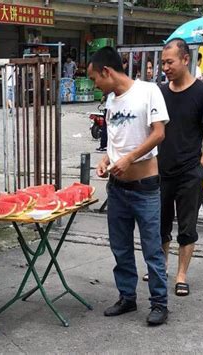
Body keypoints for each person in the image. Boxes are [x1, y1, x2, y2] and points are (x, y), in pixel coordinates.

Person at [88, 46, 170, 326]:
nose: (95, 84)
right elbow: (116, 140)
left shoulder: (148, 91)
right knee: (120, 247)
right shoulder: (111, 101)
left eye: (95, 79)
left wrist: (130, 158)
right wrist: (106, 159)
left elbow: (159, 133)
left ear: (107, 72)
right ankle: (127, 297)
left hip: (145, 186)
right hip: (117, 188)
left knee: (152, 248)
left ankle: (159, 302)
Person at [155, 38, 203, 296]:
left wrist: (201, 164)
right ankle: (162, 266)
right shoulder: (159, 92)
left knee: (187, 226)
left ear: (185, 59)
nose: (165, 67)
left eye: (169, 62)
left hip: (189, 173)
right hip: (161, 171)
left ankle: (181, 274)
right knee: (160, 224)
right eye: (163, 63)